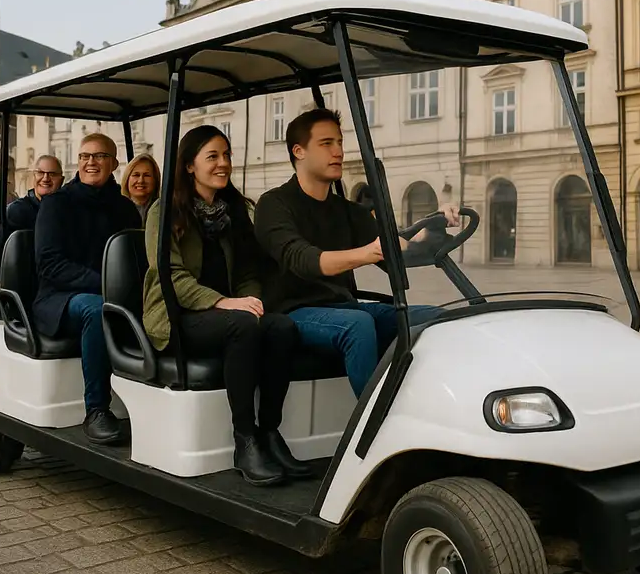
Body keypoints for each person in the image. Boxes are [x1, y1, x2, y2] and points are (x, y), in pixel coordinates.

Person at [141, 126, 309, 487]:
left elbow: (248, 270)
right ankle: (244, 440)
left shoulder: (234, 210)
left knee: (281, 327)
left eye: (227, 155)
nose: (223, 163)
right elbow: (171, 275)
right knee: (242, 325)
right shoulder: (164, 211)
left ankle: (269, 432)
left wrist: (251, 301)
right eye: (213, 156)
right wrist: (224, 303)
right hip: (178, 316)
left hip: (224, 315)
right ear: (189, 165)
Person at [253, 108, 459, 398]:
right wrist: (368, 252)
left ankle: (434, 401)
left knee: (437, 317)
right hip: (292, 313)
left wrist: (436, 224)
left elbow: (401, 252)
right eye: (326, 143)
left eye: (339, 142)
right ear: (299, 151)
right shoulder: (274, 205)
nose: (338, 151)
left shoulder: (348, 211)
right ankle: (378, 417)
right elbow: (304, 260)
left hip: (344, 307)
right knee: (358, 325)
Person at [33, 133, 141, 445]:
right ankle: (96, 409)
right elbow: (50, 265)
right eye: (84, 156)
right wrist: (106, 285)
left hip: (111, 295)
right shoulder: (56, 204)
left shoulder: (125, 209)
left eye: (99, 156)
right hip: (59, 298)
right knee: (96, 309)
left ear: (114, 163)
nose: (90, 162)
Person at [121, 153, 160, 223]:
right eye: (136, 175)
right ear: (127, 179)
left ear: (155, 179)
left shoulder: (163, 210)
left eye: (147, 175)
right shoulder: (115, 209)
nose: (141, 180)